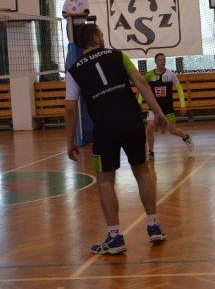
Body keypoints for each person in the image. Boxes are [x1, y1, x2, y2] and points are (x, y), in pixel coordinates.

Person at [65, 24, 169, 255]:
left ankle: (115, 237)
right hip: (132, 121)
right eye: (101, 34)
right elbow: (141, 82)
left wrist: (69, 141)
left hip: (104, 128)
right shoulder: (118, 55)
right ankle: (153, 226)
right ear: (95, 37)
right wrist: (158, 112)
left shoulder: (73, 71)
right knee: (142, 171)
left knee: (105, 180)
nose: (103, 37)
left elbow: (70, 108)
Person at [141, 52, 194, 160]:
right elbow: (142, 88)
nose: (162, 61)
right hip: (154, 108)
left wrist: (182, 104)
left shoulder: (170, 75)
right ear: (155, 62)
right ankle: (151, 152)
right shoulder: (149, 75)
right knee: (150, 127)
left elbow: (179, 89)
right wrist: (139, 102)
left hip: (167, 108)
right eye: (160, 60)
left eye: (164, 60)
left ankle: (186, 137)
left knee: (172, 130)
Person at [62, 0, 90, 69]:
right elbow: (64, 14)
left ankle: (82, 64)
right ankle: (72, 65)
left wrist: (74, 15)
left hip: (81, 26)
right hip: (70, 26)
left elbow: (86, 12)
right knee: (72, 43)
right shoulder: (67, 1)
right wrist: (70, 15)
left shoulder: (84, 0)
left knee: (82, 44)